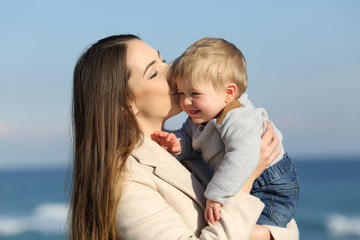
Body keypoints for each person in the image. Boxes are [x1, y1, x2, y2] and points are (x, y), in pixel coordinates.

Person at [70, 34, 299, 239]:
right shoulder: (124, 181)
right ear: (125, 104)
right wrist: (247, 178)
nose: (173, 70)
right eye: (154, 72)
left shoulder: (185, 144)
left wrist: (265, 234)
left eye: (164, 60)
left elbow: (287, 226)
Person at [151, 37, 299, 228]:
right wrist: (178, 144)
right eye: (181, 94)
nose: (186, 102)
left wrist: (216, 195)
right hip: (242, 179)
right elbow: (190, 139)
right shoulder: (200, 117)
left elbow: (244, 155)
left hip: (270, 186)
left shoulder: (237, 116)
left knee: (245, 230)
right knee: (233, 227)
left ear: (228, 93)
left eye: (195, 94)